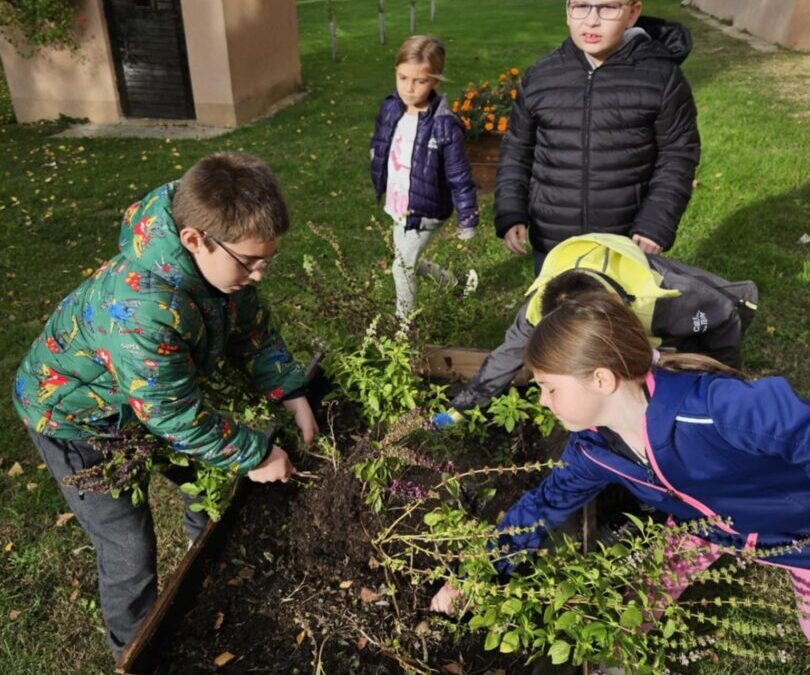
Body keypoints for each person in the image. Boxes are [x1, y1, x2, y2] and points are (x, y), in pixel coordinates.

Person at [11, 153, 319, 659]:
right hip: (73, 420)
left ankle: (205, 559)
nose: (260, 274)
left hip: (145, 398)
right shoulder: (142, 312)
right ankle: (135, 651)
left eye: (268, 259)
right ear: (194, 239)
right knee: (128, 545)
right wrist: (257, 454)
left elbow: (253, 331)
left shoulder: (223, 265)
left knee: (207, 480)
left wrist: (290, 390)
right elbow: (173, 416)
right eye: (250, 262)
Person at [430, 292, 810, 649]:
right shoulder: (592, 449)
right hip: (701, 527)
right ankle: (614, 660)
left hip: (798, 536)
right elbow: (543, 506)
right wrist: (473, 576)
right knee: (638, 606)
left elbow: (797, 429)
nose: (543, 401)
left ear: (601, 379)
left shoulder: (710, 409)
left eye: (550, 388)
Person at [431, 233, 757, 427]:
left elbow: (724, 317)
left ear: (613, 306)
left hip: (711, 315)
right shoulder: (541, 309)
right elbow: (506, 357)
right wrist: (461, 408)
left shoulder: (666, 301)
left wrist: (720, 381)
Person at [495, 1, 700, 274]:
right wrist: (511, 210)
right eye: (581, 6)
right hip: (553, 244)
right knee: (556, 303)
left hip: (625, 244)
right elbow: (517, 150)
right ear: (567, 11)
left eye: (607, 8)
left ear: (633, 13)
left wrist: (655, 222)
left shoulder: (661, 79)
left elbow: (678, 154)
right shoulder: (541, 77)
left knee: (620, 304)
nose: (592, 20)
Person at [370, 35, 479, 318]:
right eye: (402, 78)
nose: (408, 88)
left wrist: (467, 217)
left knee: (401, 267)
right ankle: (452, 282)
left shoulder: (444, 126)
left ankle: (403, 327)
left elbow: (459, 175)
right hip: (398, 203)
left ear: (435, 82)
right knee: (406, 259)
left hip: (426, 209)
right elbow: (381, 141)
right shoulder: (391, 107)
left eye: (419, 81)